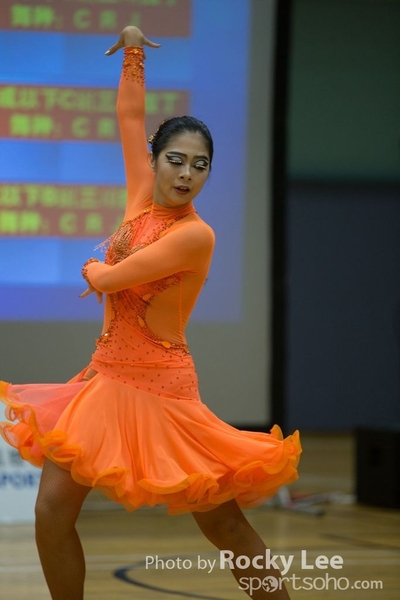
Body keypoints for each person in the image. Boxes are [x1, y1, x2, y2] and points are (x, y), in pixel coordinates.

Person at [0, 27, 301, 600]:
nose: (187, 174)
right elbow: (130, 117)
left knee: (223, 524)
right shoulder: (140, 196)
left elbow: (110, 279)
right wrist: (134, 51)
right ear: (154, 161)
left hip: (163, 391)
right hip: (104, 379)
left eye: (200, 166)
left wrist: (92, 267)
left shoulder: (196, 236)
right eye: (176, 160)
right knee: (51, 512)